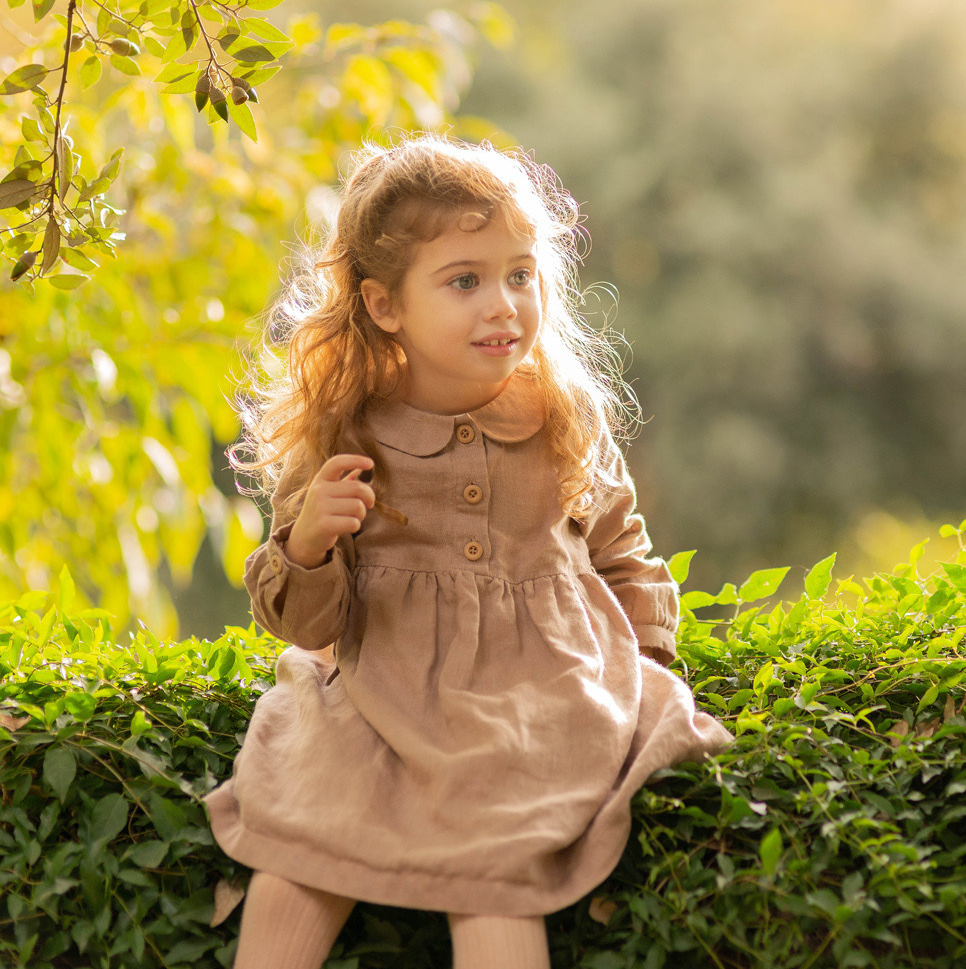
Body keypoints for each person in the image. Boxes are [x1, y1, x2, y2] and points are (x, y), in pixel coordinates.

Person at [205, 133, 732, 969]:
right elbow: (308, 626)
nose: (504, 305)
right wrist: (309, 543)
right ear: (384, 305)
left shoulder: (559, 418)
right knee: (300, 854)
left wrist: (651, 666)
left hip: (535, 697)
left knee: (493, 875)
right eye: (465, 281)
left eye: (521, 274)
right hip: (381, 693)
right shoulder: (346, 434)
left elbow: (622, 553)